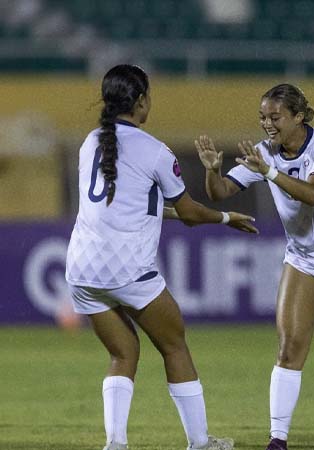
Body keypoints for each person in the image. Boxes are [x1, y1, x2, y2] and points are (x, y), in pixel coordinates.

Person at [65, 64, 254, 450]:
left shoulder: (90, 142)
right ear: (140, 101)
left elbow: (128, 206)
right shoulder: (154, 151)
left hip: (82, 271)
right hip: (129, 271)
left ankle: (115, 443)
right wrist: (224, 217)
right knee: (174, 345)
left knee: (123, 351)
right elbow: (187, 212)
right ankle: (201, 443)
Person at [194, 83, 314, 450]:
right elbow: (220, 192)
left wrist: (271, 172)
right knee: (290, 346)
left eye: (275, 117)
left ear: (298, 116)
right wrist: (213, 171)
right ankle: (278, 439)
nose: (267, 124)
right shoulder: (265, 153)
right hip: (304, 256)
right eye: (263, 117)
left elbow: (312, 193)